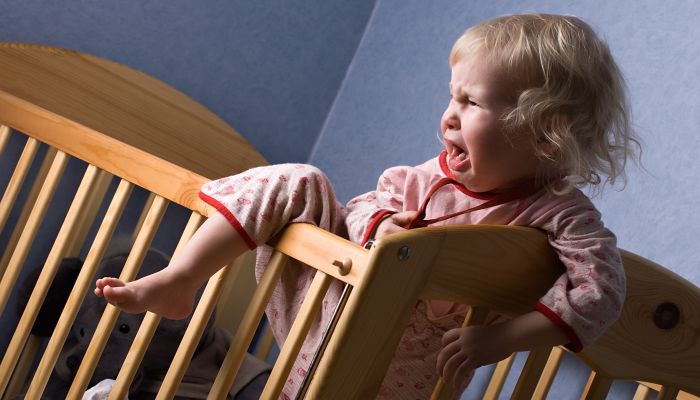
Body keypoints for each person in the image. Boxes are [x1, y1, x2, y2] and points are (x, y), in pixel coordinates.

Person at [95, 13, 639, 399]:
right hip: (322, 316)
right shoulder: (423, 176)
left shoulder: (559, 214)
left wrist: (502, 338)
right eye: (452, 95)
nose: (448, 116)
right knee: (300, 179)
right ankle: (182, 278)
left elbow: (603, 287)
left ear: (545, 136)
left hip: (406, 376)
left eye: (471, 103)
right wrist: (380, 224)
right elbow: (362, 206)